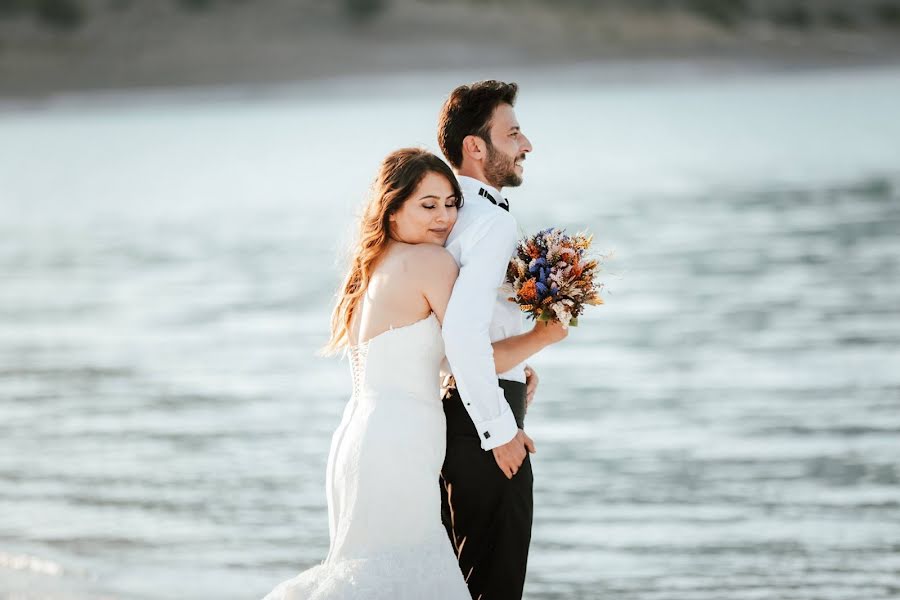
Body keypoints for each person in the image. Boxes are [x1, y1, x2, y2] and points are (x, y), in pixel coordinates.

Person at [261, 148, 565, 600]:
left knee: (373, 572)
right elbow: (468, 354)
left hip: (359, 436)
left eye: (450, 204)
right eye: (427, 205)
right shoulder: (431, 263)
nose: (443, 218)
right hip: (399, 440)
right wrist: (542, 337)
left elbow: (432, 358)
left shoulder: (370, 267)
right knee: (406, 575)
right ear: (392, 208)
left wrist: (521, 367)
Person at [438, 80, 565, 600]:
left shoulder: (442, 216)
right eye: (513, 133)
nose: (527, 144)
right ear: (475, 146)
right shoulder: (488, 223)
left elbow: (465, 329)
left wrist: (518, 362)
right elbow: (461, 333)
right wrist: (499, 429)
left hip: (453, 413)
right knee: (496, 585)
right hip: (484, 427)